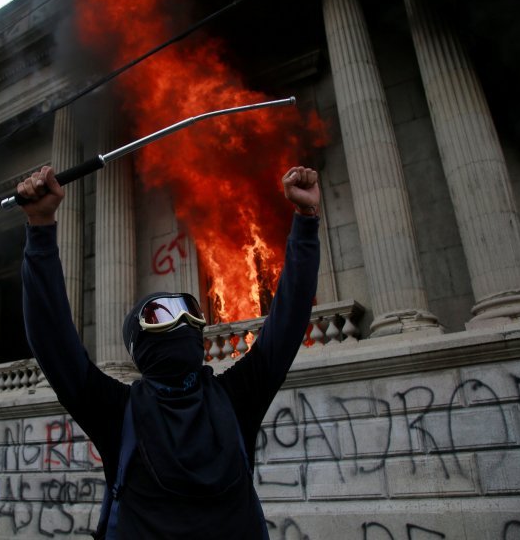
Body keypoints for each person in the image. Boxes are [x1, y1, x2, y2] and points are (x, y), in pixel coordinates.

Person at [18, 165, 320, 539]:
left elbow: (288, 321)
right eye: (160, 314)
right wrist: (40, 227)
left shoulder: (237, 397)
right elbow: (52, 340)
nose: (182, 322)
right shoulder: (116, 412)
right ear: (138, 344)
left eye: (190, 311)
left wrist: (306, 221)